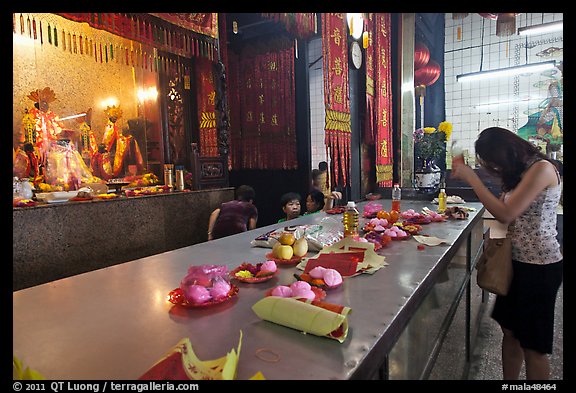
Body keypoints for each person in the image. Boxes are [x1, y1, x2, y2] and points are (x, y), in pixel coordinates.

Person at [450, 127, 563, 380]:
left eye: (494, 163)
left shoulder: (542, 169)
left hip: (539, 267)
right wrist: (492, 248)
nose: (495, 169)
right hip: (516, 262)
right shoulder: (521, 172)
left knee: (533, 346)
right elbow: (506, 220)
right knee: (510, 332)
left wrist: (473, 178)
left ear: (507, 152)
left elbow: (506, 213)